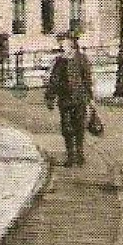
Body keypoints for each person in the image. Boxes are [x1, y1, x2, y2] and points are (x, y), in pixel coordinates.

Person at [44, 31, 95, 166]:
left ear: (71, 43)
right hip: (65, 99)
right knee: (66, 128)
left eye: (64, 43)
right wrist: (50, 97)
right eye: (61, 44)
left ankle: (79, 153)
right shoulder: (60, 61)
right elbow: (54, 80)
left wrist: (90, 98)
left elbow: (87, 79)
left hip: (79, 98)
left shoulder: (81, 59)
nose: (62, 46)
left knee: (79, 126)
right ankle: (70, 155)